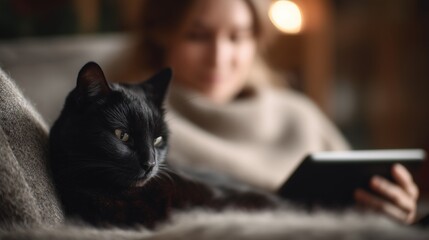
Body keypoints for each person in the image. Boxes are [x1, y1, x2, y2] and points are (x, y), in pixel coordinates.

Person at [113, 0, 419, 224]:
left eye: (238, 37)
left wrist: (388, 213)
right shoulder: (129, 124)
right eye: (197, 35)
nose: (220, 58)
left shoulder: (299, 113)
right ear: (162, 36)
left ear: (257, 43)